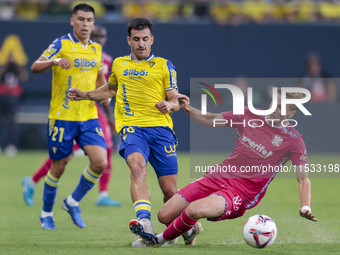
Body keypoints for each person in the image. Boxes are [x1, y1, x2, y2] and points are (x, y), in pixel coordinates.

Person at [129, 88, 317, 247]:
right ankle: (190, 229)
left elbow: (303, 178)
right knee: (164, 215)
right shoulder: (248, 114)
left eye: (283, 107)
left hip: (242, 192)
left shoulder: (293, 141)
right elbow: (211, 119)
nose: (276, 109)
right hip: (218, 176)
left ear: (292, 113)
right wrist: (188, 109)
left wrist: (305, 206)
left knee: (194, 210)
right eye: (276, 103)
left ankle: (155, 241)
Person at [68, 18, 182, 244]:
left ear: (152, 40)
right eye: (136, 39)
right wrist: (85, 94)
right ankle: (145, 222)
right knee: (136, 166)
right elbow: (110, 89)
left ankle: (187, 226)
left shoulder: (164, 65)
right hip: (132, 129)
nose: (141, 44)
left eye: (145, 39)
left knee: (170, 191)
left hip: (160, 130)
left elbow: (175, 101)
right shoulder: (120, 64)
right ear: (129, 40)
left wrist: (169, 105)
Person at [21, 25, 121, 207]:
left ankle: (102, 193)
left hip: (92, 110)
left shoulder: (105, 59)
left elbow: (104, 88)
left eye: (102, 36)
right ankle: (32, 181)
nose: (99, 39)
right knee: (64, 156)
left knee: (105, 150)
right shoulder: (72, 50)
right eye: (96, 35)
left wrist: (108, 116)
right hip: (72, 111)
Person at [30, 3, 108, 229]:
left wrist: (105, 95)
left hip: (88, 116)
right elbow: (35, 66)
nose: (85, 24)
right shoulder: (61, 44)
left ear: (93, 23)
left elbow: (100, 75)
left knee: (100, 161)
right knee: (59, 165)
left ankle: (72, 201)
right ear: (72, 21)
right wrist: (54, 61)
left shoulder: (96, 49)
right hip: (62, 116)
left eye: (89, 20)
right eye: (81, 19)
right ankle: (46, 213)